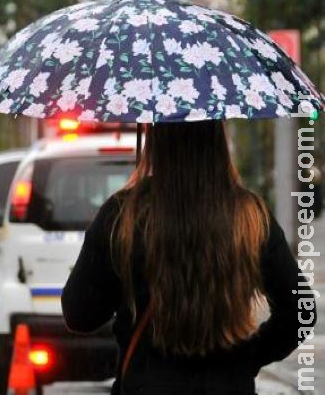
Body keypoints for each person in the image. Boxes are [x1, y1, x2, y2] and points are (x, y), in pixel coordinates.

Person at [61, 120, 317, 395]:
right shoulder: (250, 216)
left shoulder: (123, 216)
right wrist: (247, 358)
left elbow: (80, 315)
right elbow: (300, 311)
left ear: (155, 139)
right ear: (218, 140)